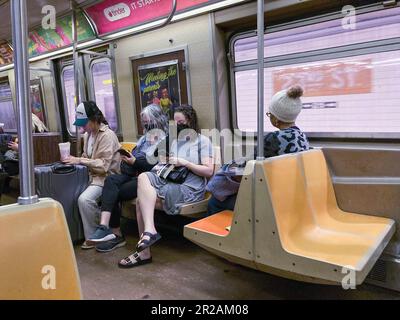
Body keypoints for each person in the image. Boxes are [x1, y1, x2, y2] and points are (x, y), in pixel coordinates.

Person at [118, 105, 214, 268]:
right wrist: (164, 162)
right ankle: (150, 231)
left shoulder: (203, 141)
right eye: (175, 122)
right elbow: (162, 160)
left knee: (142, 202)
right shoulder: (174, 140)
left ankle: (145, 251)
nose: (178, 125)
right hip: (170, 179)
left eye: (181, 122)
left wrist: (185, 162)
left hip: (189, 187)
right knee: (143, 177)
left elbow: (209, 171)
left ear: (190, 121)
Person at [206, 85, 310, 215]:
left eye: (269, 114)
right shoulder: (302, 137)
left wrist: (228, 166)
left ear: (276, 119)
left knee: (215, 202)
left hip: (274, 198)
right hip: (290, 193)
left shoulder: (274, 139)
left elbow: (248, 166)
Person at [86, 104, 169, 252]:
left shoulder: (165, 141)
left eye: (147, 121)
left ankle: (116, 235)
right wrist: (129, 161)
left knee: (113, 191)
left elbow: (155, 166)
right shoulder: (144, 139)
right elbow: (135, 158)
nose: (145, 124)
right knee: (110, 181)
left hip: (149, 179)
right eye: (143, 121)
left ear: (157, 120)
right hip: (133, 174)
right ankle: (104, 226)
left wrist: (135, 162)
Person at [62, 101, 121, 249]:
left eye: (84, 123)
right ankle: (88, 235)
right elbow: (86, 156)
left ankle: (96, 235)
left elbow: (104, 165)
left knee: (84, 199)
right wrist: (74, 161)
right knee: (69, 195)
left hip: (106, 179)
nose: (82, 127)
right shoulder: (88, 136)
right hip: (90, 177)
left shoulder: (107, 136)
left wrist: (80, 160)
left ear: (94, 120)